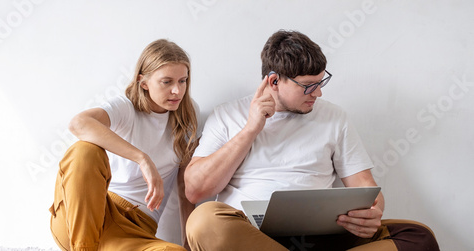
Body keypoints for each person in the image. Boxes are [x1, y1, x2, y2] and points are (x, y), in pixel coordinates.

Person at [184, 30, 440, 251]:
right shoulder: (228, 115)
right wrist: (251, 129)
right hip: (251, 236)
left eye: (320, 82)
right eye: (308, 86)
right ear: (274, 81)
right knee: (202, 222)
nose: (317, 93)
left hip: (323, 236)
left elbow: (365, 186)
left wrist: (373, 212)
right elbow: (196, 190)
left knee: (418, 237)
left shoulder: (334, 117)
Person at [49, 39, 199, 251]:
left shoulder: (187, 118)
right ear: (143, 82)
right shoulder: (125, 108)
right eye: (167, 82)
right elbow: (79, 123)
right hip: (85, 217)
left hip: (133, 232)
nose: (177, 90)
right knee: (85, 150)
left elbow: (185, 186)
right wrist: (142, 158)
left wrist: (188, 242)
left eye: (182, 81)